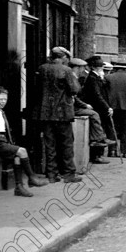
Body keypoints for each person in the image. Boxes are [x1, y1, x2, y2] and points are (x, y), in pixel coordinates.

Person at [0, 86, 48, 197]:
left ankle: (19, 188)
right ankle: (32, 178)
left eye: (5, 100)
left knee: (17, 158)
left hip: (3, 142)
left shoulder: (1, 112)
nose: (3, 102)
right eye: (0, 99)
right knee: (22, 151)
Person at [34, 46, 82, 183]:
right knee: (66, 143)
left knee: (50, 144)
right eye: (67, 58)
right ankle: (68, 174)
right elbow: (75, 89)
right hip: (62, 113)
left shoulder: (42, 68)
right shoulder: (66, 70)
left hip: (45, 113)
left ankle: (52, 174)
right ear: (64, 57)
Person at [68, 57, 113, 154]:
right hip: (77, 106)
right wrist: (85, 105)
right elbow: (75, 96)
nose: (82, 70)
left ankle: (99, 141)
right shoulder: (86, 78)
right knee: (94, 115)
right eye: (81, 68)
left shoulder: (89, 77)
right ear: (76, 68)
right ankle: (98, 139)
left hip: (83, 104)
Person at [81, 56, 116, 162]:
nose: (101, 69)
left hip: (100, 107)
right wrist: (107, 107)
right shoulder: (92, 78)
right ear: (95, 68)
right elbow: (97, 95)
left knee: (100, 130)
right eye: (99, 67)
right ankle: (96, 155)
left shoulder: (97, 77)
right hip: (97, 108)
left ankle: (99, 154)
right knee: (97, 133)